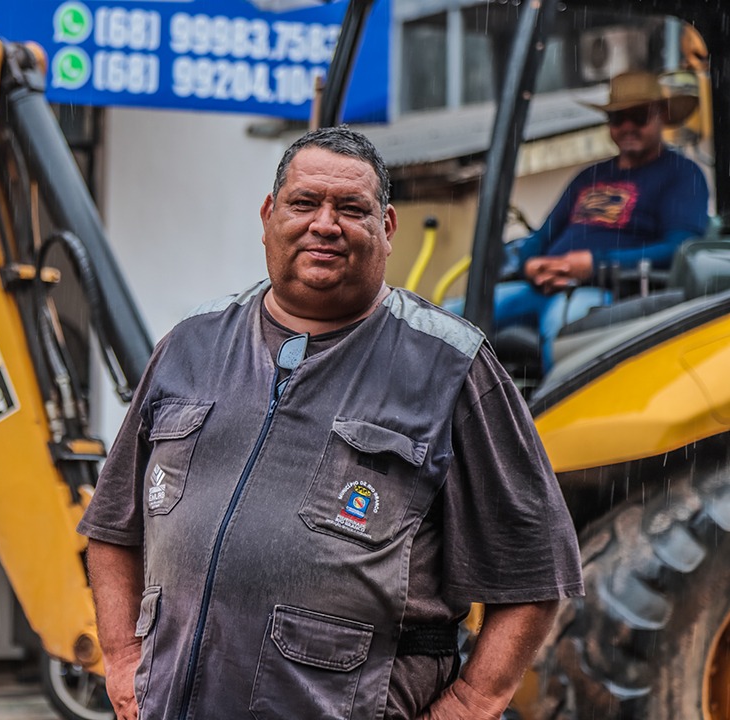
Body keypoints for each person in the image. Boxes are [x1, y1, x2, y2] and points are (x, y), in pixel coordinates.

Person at [79, 125, 583, 720]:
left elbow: (534, 571)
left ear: (387, 228)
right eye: (303, 203)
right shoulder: (191, 346)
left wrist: (473, 702)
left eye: (351, 208)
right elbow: (113, 529)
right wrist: (120, 656)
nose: (325, 224)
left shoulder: (451, 365)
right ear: (269, 214)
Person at [493, 70, 709, 370]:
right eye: (618, 119)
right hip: (542, 286)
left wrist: (594, 265)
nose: (628, 127)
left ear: (661, 115)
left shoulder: (681, 175)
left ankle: (550, 415)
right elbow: (543, 236)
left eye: (639, 116)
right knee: (453, 317)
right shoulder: (590, 176)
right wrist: (531, 265)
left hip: (608, 292)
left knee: (565, 335)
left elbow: (679, 249)